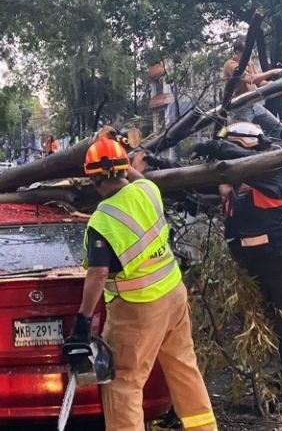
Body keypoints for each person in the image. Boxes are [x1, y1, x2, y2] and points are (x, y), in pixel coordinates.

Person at [62, 137, 216, 431]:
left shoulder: (103, 221)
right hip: (174, 294)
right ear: (125, 169)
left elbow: (97, 275)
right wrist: (123, 157)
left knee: (124, 383)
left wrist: (82, 321)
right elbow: (136, 176)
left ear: (91, 177)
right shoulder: (148, 190)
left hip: (139, 309)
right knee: (184, 366)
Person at [200, 121, 282, 412]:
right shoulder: (240, 180)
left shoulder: (274, 171)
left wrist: (218, 145)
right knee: (271, 321)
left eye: (231, 150)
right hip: (262, 263)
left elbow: (245, 165)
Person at [222, 37, 282, 138]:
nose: (248, 56)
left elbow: (259, 83)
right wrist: (272, 71)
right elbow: (251, 79)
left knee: (277, 126)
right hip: (240, 108)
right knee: (246, 137)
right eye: (246, 53)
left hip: (254, 104)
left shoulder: (249, 63)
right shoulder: (231, 65)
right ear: (237, 52)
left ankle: (270, 150)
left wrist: (276, 84)